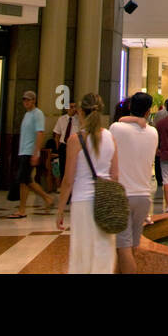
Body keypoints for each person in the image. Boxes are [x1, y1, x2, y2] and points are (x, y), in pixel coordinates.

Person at [57, 93, 119, 274]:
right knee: (104, 250)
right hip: (105, 200)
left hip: (82, 201)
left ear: (80, 112)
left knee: (82, 251)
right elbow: (115, 176)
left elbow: (68, 180)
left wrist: (60, 209)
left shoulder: (75, 140)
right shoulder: (110, 137)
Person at [110, 92, 158, 274]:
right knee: (128, 248)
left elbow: (120, 122)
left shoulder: (117, 128)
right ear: (148, 112)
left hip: (122, 196)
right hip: (143, 197)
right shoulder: (153, 132)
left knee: (122, 248)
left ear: (130, 107)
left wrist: (131, 118)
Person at [8, 90, 53, 218]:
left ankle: (25, 208)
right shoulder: (27, 114)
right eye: (24, 100)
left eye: (29, 100)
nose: (26, 102)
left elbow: (40, 133)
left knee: (25, 180)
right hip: (23, 151)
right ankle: (45, 198)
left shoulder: (37, 114)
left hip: (29, 151)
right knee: (25, 180)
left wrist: (36, 152)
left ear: (34, 100)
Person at [51, 104, 80, 185]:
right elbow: (57, 134)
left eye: (74, 107)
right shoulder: (62, 119)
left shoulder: (79, 119)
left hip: (74, 146)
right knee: (63, 166)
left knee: (73, 166)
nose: (72, 109)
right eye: (71, 107)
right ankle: (63, 184)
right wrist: (57, 146)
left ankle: (73, 184)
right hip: (63, 145)